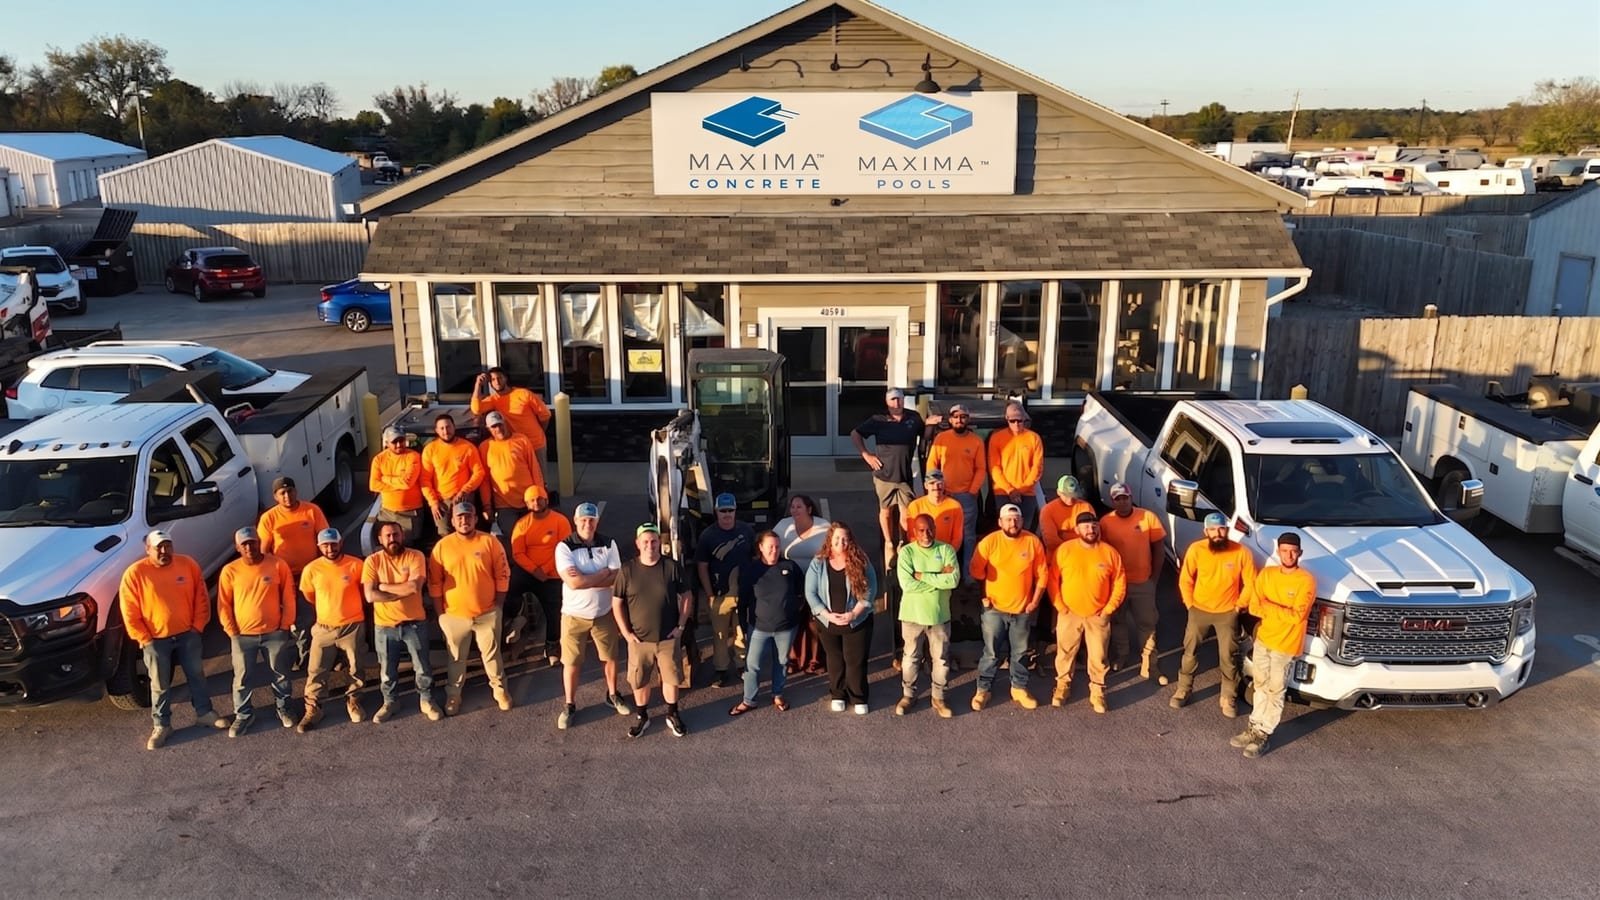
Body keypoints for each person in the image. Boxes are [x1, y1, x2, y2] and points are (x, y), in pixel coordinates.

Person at [119, 530, 225, 750]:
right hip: (155, 640)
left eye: (168, 545)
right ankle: (162, 725)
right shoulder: (135, 573)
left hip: (188, 634)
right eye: (159, 547)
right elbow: (129, 611)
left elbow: (201, 597)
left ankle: (204, 713)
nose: (164, 551)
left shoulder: (187, 564)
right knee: (159, 685)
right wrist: (144, 638)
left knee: (196, 675)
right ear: (148, 549)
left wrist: (197, 626)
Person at [1233, 532, 1316, 758]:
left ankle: (1263, 734)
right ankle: (1253, 726)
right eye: (1284, 550)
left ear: (1300, 553)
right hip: (1264, 640)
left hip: (1285, 645)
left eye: (1293, 551)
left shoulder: (1306, 580)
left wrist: (1268, 605)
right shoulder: (1267, 574)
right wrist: (1278, 609)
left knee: (1275, 690)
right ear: (1278, 552)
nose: (1289, 555)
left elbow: (1297, 616)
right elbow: (1254, 607)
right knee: (1259, 685)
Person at [427, 501, 513, 715]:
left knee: (492, 656)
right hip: (454, 616)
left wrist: (498, 608)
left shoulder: (489, 542)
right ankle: (453, 696)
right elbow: (435, 583)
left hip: (487, 613)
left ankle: (500, 691)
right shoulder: (442, 547)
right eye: (459, 517)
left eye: (468, 516)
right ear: (453, 521)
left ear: (475, 519)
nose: (464, 520)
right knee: (456, 659)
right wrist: (441, 615)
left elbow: (502, 575)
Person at [1173, 512, 1258, 718]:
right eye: (1213, 529)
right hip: (1198, 610)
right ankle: (1184, 688)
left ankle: (1228, 696)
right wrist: (1190, 604)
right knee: (1190, 651)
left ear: (1226, 530)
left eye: (1221, 529)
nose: (1217, 533)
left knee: (1228, 656)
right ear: (1206, 531)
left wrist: (1239, 606)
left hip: (1227, 613)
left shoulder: (1241, 552)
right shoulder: (1197, 549)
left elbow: (1251, 582)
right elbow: (1185, 579)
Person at [612, 523, 692, 738]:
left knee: (671, 678)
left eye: (654, 541)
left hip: (668, 637)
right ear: (637, 544)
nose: (650, 546)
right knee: (640, 680)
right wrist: (626, 633)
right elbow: (617, 602)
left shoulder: (671, 567)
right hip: (639, 640)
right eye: (645, 542)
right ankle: (642, 716)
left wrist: (681, 625)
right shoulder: (627, 570)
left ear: (660, 543)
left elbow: (686, 596)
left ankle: (672, 714)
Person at [217, 526, 297, 737]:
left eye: (252, 542)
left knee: (280, 674)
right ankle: (243, 715)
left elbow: (288, 597)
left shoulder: (278, 564)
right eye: (244, 544)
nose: (249, 547)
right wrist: (232, 630)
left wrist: (285, 625)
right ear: (237, 547)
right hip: (243, 636)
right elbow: (223, 604)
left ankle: (284, 707)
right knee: (242, 678)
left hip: (274, 634)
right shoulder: (230, 571)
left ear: (258, 541)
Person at [555, 502, 629, 730]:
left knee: (610, 657)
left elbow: (617, 578)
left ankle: (613, 694)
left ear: (597, 522)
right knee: (571, 662)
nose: (588, 524)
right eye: (583, 520)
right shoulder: (564, 547)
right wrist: (602, 573)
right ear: (575, 521)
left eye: (592, 520)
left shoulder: (608, 543)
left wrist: (589, 579)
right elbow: (574, 583)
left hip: (603, 612)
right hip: (573, 616)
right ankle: (569, 704)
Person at [362, 520, 444, 723]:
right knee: (387, 670)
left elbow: (414, 587)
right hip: (384, 626)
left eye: (396, 535)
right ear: (380, 539)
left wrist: (384, 586)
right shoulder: (372, 561)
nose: (392, 539)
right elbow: (370, 596)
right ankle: (390, 702)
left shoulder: (415, 556)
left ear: (402, 536)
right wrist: (399, 589)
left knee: (422, 667)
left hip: (414, 623)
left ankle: (426, 700)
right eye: (388, 536)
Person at [969, 504, 1048, 711]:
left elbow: (1042, 575)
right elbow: (976, 572)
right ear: (1000, 522)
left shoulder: (1032, 542)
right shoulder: (989, 542)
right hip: (994, 609)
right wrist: (984, 596)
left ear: (1022, 521)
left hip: (1022, 609)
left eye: (1016, 519)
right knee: (991, 652)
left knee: (1020, 652)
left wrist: (1035, 601)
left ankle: (1019, 688)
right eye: (1009, 519)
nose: (1013, 523)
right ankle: (983, 689)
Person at [1050, 512, 1127, 714]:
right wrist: (1059, 605)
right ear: (1077, 530)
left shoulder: (1109, 553)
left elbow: (1119, 582)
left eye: (1094, 526)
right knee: (1065, 652)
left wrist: (1108, 608)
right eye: (1085, 527)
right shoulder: (1064, 550)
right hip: (1069, 612)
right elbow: (1052, 580)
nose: (1090, 530)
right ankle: (1062, 686)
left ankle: (1098, 691)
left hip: (1098, 614)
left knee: (1099, 655)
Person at [295, 528, 370, 731]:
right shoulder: (311, 569)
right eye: (325, 545)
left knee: (356, 667)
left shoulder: (356, 564)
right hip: (324, 627)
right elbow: (310, 595)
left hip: (352, 625)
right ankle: (313, 708)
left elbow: (365, 593)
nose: (330, 548)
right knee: (316, 669)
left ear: (340, 543)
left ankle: (354, 700)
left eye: (333, 544)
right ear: (319, 547)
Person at [804, 522, 877, 715]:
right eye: (836, 538)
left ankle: (858, 697)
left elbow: (870, 590)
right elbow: (810, 593)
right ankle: (838, 694)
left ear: (850, 540)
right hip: (828, 622)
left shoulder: (861, 560)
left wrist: (854, 613)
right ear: (830, 539)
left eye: (844, 538)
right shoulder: (818, 562)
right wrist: (827, 615)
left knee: (855, 661)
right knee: (835, 659)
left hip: (856, 621)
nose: (840, 542)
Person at [730, 531, 805, 716]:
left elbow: (801, 592)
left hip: (786, 628)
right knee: (752, 665)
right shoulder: (751, 570)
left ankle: (778, 694)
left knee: (781, 662)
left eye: (777, 546)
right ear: (761, 548)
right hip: (758, 628)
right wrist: (743, 626)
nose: (774, 550)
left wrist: (795, 612)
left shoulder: (790, 567)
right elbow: (743, 601)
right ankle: (749, 700)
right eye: (770, 546)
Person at [256, 475, 328, 668]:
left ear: (296, 491)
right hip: (285, 577)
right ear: (275, 497)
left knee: (313, 616)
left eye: (290, 491)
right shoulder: (269, 518)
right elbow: (263, 550)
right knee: (291, 618)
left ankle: (311, 657)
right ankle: (297, 656)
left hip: (310, 574)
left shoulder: (312, 511)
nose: (287, 496)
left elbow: (324, 540)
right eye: (282, 493)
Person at [850, 387, 926, 569]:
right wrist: (866, 455)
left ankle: (903, 541)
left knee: (906, 512)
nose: (896, 403)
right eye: (892, 400)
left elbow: (924, 435)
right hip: (884, 476)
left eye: (899, 399)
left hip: (904, 475)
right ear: (887, 402)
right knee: (886, 510)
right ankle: (888, 541)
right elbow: (855, 433)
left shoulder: (913, 418)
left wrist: (930, 424)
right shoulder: (878, 420)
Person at [1099, 482, 1167, 681]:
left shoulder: (1148, 517)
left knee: (1147, 623)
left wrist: (1153, 579)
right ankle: (1122, 654)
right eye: (1118, 499)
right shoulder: (1105, 522)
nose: (1122, 502)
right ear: (1113, 501)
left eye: (1125, 498)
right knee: (1118, 621)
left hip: (1142, 582)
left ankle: (1150, 663)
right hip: (1117, 584)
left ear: (1131, 498)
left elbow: (1159, 550)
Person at [895, 514, 959, 718]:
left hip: (939, 616)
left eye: (929, 529)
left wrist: (922, 575)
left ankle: (939, 697)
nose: (926, 534)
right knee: (910, 658)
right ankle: (908, 695)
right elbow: (907, 584)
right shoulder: (906, 553)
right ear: (914, 532)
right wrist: (940, 577)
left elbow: (954, 580)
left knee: (940, 659)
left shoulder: (946, 549)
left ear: (935, 529)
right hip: (912, 615)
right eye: (921, 530)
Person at [694, 492, 755, 687]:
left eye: (730, 510)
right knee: (719, 634)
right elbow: (702, 566)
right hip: (719, 596)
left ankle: (741, 665)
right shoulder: (708, 536)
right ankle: (721, 670)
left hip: (743, 593)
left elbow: (754, 558)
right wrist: (709, 593)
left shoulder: (746, 531)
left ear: (736, 510)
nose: (727, 514)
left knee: (741, 631)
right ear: (716, 512)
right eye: (723, 511)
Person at [510, 483, 572, 668]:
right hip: (529, 571)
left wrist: (545, 570)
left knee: (555, 612)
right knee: (507, 590)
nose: (536, 502)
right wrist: (535, 570)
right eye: (531, 500)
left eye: (539, 499)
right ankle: (517, 616)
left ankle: (552, 648)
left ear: (546, 500)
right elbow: (517, 553)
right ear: (527, 504)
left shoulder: (560, 521)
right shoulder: (522, 525)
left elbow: (564, 549)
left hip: (552, 574)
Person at [925, 402, 985, 570]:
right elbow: (932, 464)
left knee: (968, 536)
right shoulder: (941, 439)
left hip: (967, 496)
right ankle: (940, 570)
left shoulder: (976, 441)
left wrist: (972, 491)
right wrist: (935, 488)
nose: (959, 420)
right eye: (956, 417)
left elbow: (981, 469)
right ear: (950, 420)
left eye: (963, 417)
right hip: (943, 495)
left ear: (968, 419)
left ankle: (967, 573)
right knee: (941, 534)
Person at [774, 494, 829, 675]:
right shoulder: (783, 526)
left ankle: (815, 661)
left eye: (799, 507)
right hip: (790, 582)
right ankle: (794, 660)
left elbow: (831, 551)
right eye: (793, 507)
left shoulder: (824, 526)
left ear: (809, 509)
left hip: (817, 582)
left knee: (814, 623)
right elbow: (770, 546)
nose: (795, 510)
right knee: (792, 622)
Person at [471, 366, 552, 484]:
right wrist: (478, 385)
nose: (497, 382)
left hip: (535, 443)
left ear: (506, 379)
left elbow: (545, 415)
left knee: (540, 480)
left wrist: (540, 431)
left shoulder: (524, 394)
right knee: (522, 479)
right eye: (493, 379)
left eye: (499, 378)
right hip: (515, 445)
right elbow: (476, 409)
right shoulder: (494, 399)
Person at [477, 410, 543, 545]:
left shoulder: (522, 440)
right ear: (488, 429)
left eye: (500, 424)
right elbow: (485, 480)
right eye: (494, 426)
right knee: (514, 539)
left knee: (534, 536)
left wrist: (540, 495)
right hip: (504, 504)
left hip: (529, 501)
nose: (498, 429)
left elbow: (534, 469)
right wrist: (487, 505)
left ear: (505, 423)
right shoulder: (484, 447)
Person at [421, 412, 486, 538]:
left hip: (463, 498)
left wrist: (464, 491)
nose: (446, 431)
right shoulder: (430, 449)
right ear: (436, 430)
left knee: (466, 532)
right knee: (444, 535)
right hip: (441, 502)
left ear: (454, 427)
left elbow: (479, 472)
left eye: (448, 427)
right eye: (442, 428)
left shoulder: (467, 447)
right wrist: (433, 502)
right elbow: (425, 480)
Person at [988, 402, 1044, 531]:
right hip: (1003, 492)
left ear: (1024, 419)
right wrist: (1010, 490)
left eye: (1019, 420)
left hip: (1027, 492)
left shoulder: (1034, 438)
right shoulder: (996, 438)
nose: (1016, 424)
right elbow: (994, 468)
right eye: (1012, 420)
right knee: (1006, 530)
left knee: (1025, 531)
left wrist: (1021, 489)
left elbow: (1037, 467)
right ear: (1007, 419)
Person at [369, 426, 425, 544]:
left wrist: (385, 478)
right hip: (386, 512)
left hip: (409, 513)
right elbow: (373, 485)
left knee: (408, 546)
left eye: (401, 440)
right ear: (387, 443)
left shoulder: (413, 456)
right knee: (388, 546)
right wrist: (398, 484)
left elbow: (407, 483)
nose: (399, 444)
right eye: (395, 442)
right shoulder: (379, 459)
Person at [903, 469, 964, 551]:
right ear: (926, 486)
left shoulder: (955, 506)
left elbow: (957, 538)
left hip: (945, 553)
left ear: (944, 485)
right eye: (932, 483)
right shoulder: (915, 506)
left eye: (939, 483)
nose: (936, 487)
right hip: (922, 553)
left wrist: (948, 555)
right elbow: (912, 536)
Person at [1039, 475, 1094, 555]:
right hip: (1059, 555)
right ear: (1058, 492)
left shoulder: (1086, 507)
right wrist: (1073, 550)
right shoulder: (1047, 510)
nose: (1070, 499)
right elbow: (1051, 541)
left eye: (1073, 495)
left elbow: (1092, 535)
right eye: (1066, 495)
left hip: (1085, 553)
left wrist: (1063, 535)